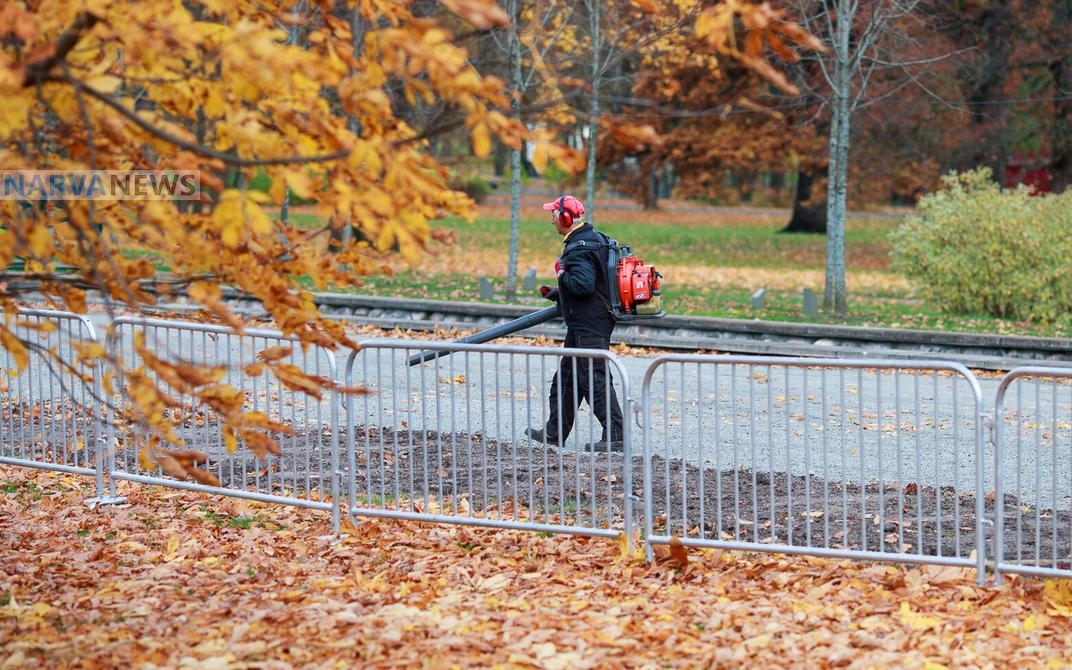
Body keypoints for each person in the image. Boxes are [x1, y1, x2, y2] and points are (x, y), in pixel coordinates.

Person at [525, 194, 625, 452]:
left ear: (566, 219)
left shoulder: (579, 247)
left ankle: (616, 436)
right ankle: (554, 432)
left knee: (594, 379)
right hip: (588, 319)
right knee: (567, 378)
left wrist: (561, 273)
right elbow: (591, 285)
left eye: (554, 216)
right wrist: (558, 292)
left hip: (589, 323)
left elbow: (582, 285)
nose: (552, 221)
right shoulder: (594, 239)